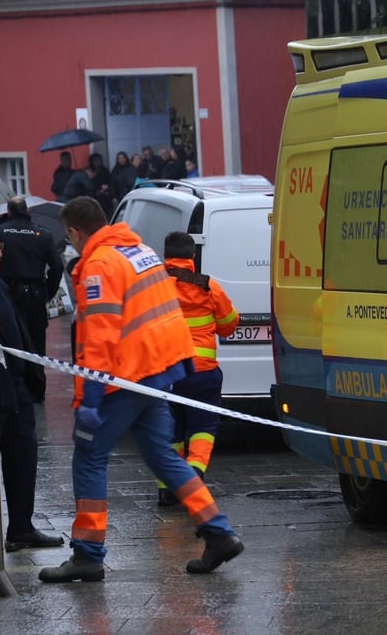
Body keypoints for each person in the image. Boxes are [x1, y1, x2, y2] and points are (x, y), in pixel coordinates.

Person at [39, 197, 244, 583]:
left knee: (89, 456)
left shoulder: (100, 264)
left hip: (124, 376)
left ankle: (87, 553)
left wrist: (91, 400)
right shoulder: (140, 251)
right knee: (163, 457)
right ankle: (218, 532)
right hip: (157, 372)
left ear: (75, 232)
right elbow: (164, 315)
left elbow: (98, 337)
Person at [0, 227, 63, 552]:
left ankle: (21, 526)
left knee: (25, 458)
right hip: (1, 392)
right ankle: (15, 528)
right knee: (13, 457)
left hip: (18, 390)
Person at [155, 231, 239, 506]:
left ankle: (168, 488)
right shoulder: (208, 286)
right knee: (204, 426)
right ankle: (193, 476)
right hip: (202, 373)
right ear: (193, 256)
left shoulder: (151, 286)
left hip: (165, 373)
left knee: (171, 430)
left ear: (165, 254)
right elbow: (229, 323)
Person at [0, 196, 66, 402]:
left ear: (9, 212)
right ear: (28, 212)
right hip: (34, 295)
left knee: (11, 341)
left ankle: (15, 389)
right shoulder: (43, 234)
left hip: (8, 295)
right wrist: (47, 292)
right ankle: (37, 389)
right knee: (36, 344)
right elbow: (57, 267)